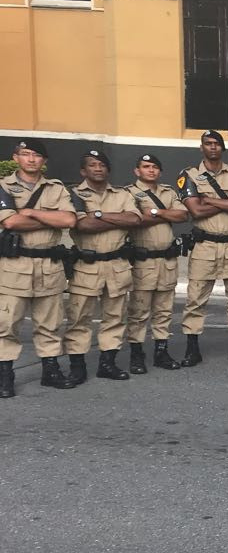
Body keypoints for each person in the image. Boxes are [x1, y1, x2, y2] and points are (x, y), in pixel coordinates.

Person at [0, 140, 78, 396]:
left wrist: (31, 213)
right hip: (14, 266)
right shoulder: (3, 186)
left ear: (44, 160)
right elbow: (10, 222)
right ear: (16, 157)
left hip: (49, 265)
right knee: (7, 324)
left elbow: (68, 219)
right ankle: (5, 374)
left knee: (50, 323)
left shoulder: (55, 188)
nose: (31, 159)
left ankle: (50, 370)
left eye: (36, 155)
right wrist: (48, 217)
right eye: (25, 154)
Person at [63, 150, 142, 384]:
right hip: (86, 265)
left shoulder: (122, 194)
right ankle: (77, 366)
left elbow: (134, 220)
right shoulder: (73, 194)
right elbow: (82, 225)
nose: (97, 168)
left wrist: (97, 214)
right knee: (79, 318)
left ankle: (108, 363)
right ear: (83, 170)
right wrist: (114, 217)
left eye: (102, 165)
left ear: (108, 169)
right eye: (92, 165)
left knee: (115, 317)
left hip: (117, 264)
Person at [176, 130, 228, 365]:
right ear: (201, 147)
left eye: (216, 144)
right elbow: (195, 211)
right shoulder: (189, 175)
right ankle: (192, 347)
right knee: (196, 298)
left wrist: (207, 199)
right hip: (204, 245)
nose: (212, 147)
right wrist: (227, 202)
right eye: (208, 144)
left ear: (223, 147)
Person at [124, 153, 187, 374]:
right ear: (137, 170)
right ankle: (136, 354)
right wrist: (165, 214)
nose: (150, 170)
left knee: (164, 311)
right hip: (143, 261)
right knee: (139, 312)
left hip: (167, 261)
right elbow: (134, 219)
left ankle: (161, 351)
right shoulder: (128, 193)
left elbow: (182, 215)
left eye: (154, 167)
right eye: (146, 166)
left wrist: (153, 211)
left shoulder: (168, 192)